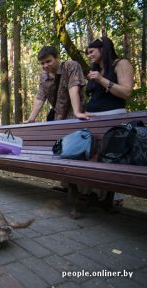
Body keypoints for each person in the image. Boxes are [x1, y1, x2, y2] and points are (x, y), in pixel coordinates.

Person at [85, 36, 134, 206]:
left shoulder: (121, 64)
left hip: (113, 118)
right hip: (92, 120)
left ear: (103, 49)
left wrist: (101, 79)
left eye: (91, 51)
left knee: (112, 157)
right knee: (92, 156)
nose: (89, 55)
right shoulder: (95, 70)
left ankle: (115, 198)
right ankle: (93, 194)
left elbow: (126, 92)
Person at [25, 46, 91, 123]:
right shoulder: (44, 77)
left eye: (48, 61)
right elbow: (40, 98)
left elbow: (73, 88)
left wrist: (77, 112)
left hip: (77, 117)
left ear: (57, 58)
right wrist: (31, 118)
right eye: (42, 63)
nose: (45, 65)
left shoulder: (70, 66)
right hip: (59, 119)